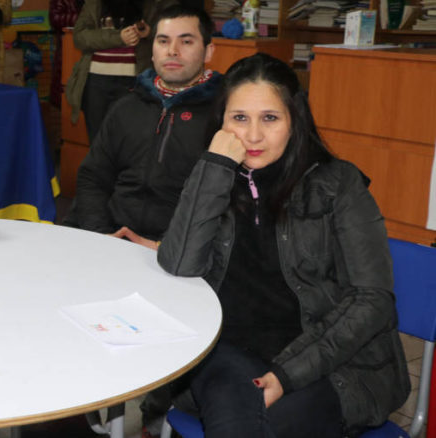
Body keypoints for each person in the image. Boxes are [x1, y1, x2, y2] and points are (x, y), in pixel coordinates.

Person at [158, 53, 410, 437]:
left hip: (327, 362)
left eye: (270, 118)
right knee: (237, 413)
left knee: (257, 424)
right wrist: (214, 169)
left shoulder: (339, 185)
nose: (253, 136)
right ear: (221, 122)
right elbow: (179, 266)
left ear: (295, 121)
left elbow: (372, 300)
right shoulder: (213, 175)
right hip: (227, 351)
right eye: (239, 118)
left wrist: (288, 373)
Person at [63, 4, 221, 250]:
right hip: (111, 237)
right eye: (163, 41)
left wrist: (165, 247)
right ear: (152, 50)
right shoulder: (126, 107)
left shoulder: (224, 117)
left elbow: (225, 203)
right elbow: (93, 178)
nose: (172, 51)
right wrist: (102, 234)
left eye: (186, 42)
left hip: (175, 249)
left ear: (208, 51)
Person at [63, 0, 176, 143]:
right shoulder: (95, 3)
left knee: (133, 142)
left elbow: (175, 31)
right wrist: (118, 37)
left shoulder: (155, 3)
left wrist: (150, 32)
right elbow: (79, 37)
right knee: (98, 142)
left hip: (135, 81)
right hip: (96, 81)